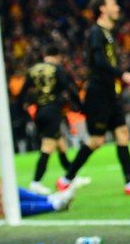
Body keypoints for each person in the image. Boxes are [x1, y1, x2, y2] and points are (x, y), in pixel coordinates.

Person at [57, 0, 130, 195]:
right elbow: (99, 62)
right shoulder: (96, 32)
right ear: (102, 8)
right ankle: (66, 179)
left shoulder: (109, 34)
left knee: (122, 133)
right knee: (96, 140)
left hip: (111, 93)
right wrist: (123, 75)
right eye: (113, 3)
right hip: (98, 94)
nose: (117, 7)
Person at [20, 45, 89, 195]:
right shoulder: (56, 69)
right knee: (47, 146)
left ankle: (71, 177)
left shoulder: (33, 70)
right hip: (52, 111)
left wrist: (22, 110)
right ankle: (36, 182)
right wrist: (80, 106)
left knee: (61, 145)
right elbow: (69, 88)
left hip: (39, 111)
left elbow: (22, 93)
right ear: (57, 56)